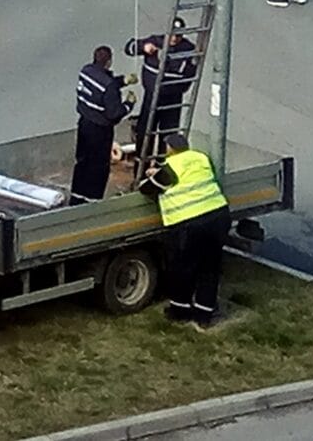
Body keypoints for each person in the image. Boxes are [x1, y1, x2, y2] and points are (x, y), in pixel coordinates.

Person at [140, 132, 231, 327]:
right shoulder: (201, 158)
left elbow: (147, 189)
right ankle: (204, 315)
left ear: (170, 149)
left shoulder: (171, 166)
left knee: (183, 267)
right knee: (210, 268)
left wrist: (151, 176)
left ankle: (179, 311)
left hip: (190, 224)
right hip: (218, 216)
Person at [127, 18, 198, 153]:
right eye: (172, 34)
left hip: (173, 98)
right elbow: (129, 48)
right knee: (146, 131)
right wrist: (143, 47)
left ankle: (162, 167)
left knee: (169, 134)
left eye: (178, 35)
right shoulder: (156, 41)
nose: (175, 38)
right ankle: (141, 167)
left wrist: (166, 59)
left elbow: (189, 70)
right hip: (152, 95)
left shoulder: (188, 49)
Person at [72, 45, 131, 203]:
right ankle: (93, 200)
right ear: (109, 62)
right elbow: (114, 113)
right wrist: (128, 105)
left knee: (83, 161)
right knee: (98, 166)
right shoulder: (109, 85)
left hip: (84, 123)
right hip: (100, 130)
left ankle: (76, 196)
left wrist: (122, 81)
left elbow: (100, 88)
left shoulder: (86, 71)